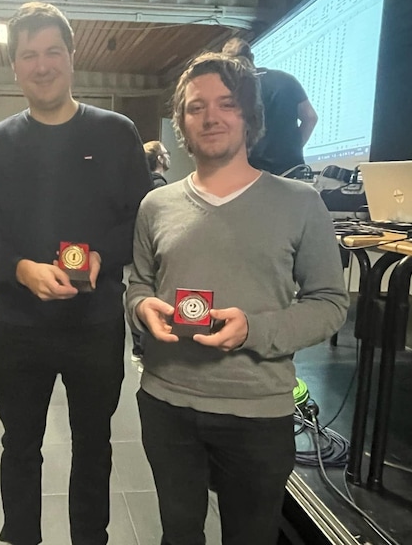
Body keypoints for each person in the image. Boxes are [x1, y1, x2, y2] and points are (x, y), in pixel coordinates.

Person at [126, 52, 348, 545]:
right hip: (167, 404)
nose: (211, 117)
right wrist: (141, 308)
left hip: (257, 412)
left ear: (250, 116)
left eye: (226, 104)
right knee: (178, 535)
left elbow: (330, 303)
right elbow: (138, 284)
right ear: (182, 124)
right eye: (196, 107)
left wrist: (255, 329)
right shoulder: (155, 205)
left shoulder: (300, 203)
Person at [0, 2, 151, 545]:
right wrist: (23, 270)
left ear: (72, 58)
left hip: (95, 324)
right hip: (20, 327)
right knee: (19, 446)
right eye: (29, 55)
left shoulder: (116, 133)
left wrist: (101, 257)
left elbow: (140, 220)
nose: (41, 65)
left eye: (52, 52)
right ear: (15, 68)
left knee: (94, 445)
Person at [222, 37, 318, 176]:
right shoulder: (285, 78)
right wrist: (293, 149)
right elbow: (310, 117)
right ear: (252, 57)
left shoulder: (234, 89)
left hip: (254, 175)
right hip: (292, 172)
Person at [130, 140, 172, 360]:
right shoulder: (159, 189)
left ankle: (139, 347)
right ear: (160, 159)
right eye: (166, 153)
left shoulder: (140, 185)